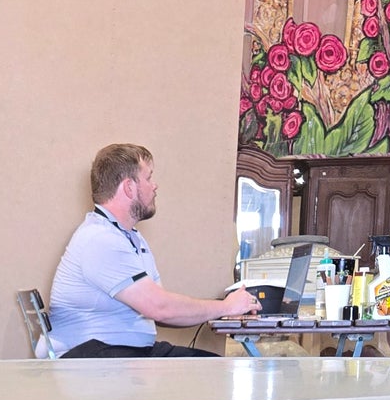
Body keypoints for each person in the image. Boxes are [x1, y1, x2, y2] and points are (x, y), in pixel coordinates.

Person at [48, 144, 259, 357]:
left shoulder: (131, 238)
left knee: (215, 368)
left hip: (122, 354)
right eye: (148, 178)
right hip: (93, 361)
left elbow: (160, 311)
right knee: (216, 375)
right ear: (129, 187)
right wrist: (225, 307)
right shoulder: (100, 239)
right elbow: (159, 308)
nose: (154, 186)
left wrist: (222, 307)